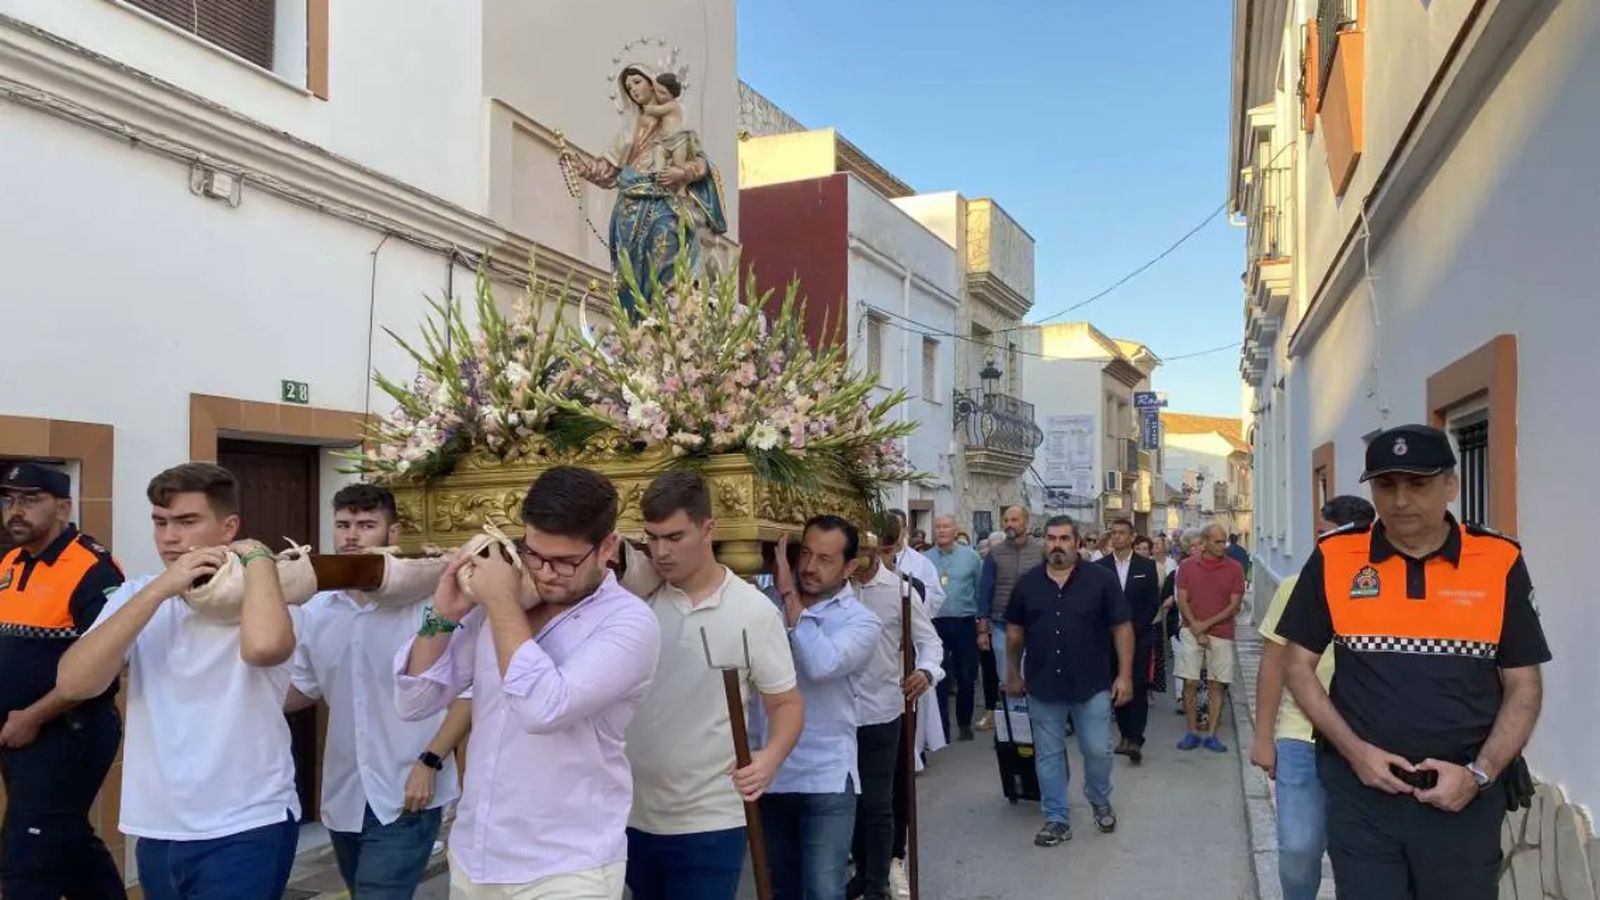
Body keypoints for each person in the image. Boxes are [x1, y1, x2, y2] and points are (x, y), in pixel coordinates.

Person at [1277, 426, 1550, 900]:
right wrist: (1356, 753)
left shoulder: (1498, 561)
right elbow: (1297, 666)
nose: (1401, 500)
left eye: (1418, 483)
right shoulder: (1336, 557)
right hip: (1362, 798)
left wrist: (1479, 775)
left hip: (1462, 803)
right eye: (1386, 485)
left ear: (1452, 485)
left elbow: (1524, 686)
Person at [396, 466, 661, 899]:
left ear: (607, 548)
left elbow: (544, 708)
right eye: (534, 554)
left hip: (566, 867)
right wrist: (441, 614)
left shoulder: (630, 623)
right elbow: (415, 700)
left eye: (565, 561)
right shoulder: (509, 603)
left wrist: (500, 600)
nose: (546, 572)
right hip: (476, 856)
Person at [57, 463, 302, 900]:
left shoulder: (267, 587)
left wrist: (258, 557)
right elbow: (75, 682)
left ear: (228, 528)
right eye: (160, 522)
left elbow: (266, 648)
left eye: (187, 522)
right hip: (158, 823)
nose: (170, 537)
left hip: (246, 821)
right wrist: (157, 592)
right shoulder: (141, 594)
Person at [621, 471, 804, 900]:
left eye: (674, 537)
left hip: (712, 817)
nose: (661, 551)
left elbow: (786, 703)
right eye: (652, 538)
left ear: (708, 530)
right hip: (629, 813)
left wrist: (769, 758)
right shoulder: (634, 603)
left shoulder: (753, 611)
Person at [286, 484, 470, 899]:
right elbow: (301, 689)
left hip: (409, 787)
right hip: (345, 791)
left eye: (366, 525)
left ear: (393, 533)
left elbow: (467, 691)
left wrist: (431, 760)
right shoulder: (318, 610)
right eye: (344, 525)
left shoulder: (428, 605)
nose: (352, 536)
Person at [0, 463, 127, 899]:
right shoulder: (12, 562)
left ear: (63, 507)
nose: (15, 511)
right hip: (19, 733)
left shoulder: (94, 568)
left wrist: (33, 717)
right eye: (10, 500)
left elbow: (105, 668)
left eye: (30, 500)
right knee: (69, 844)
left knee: (25, 862)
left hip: (69, 733)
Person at [1250, 494, 1375, 900]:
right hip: (1301, 736)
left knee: (1357, 855)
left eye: (1329, 535)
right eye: (1321, 535)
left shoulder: (1380, 590)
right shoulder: (1297, 586)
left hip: (1367, 742)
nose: (1322, 544)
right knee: (1300, 849)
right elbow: (1273, 665)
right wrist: (1263, 738)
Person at [758, 517, 879, 900]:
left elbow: (820, 664)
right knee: (782, 888)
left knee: (824, 890)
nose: (809, 567)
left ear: (848, 568)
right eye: (805, 553)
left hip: (826, 776)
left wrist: (789, 596)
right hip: (771, 771)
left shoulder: (862, 622)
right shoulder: (765, 607)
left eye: (825, 559)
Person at [1005, 515, 1133, 846]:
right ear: (1044, 542)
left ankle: (1098, 796)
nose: (1057, 545)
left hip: (1091, 683)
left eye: (1064, 539)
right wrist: (1013, 671)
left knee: (1098, 750)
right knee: (1048, 754)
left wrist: (1124, 675)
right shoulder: (1028, 583)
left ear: (1077, 543)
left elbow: (1122, 628)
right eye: (1051, 538)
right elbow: (1016, 632)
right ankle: (1056, 818)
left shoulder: (1101, 581)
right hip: (1043, 683)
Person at [847, 516, 941, 900]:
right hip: (840, 713)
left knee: (878, 802)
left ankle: (877, 882)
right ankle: (862, 869)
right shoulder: (837, 590)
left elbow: (930, 643)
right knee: (850, 802)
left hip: (884, 709)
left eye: (875, 551)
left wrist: (925, 671)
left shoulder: (901, 592)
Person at [1096, 518, 1162, 764]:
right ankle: (1125, 734)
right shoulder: (1101, 567)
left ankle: (1136, 737)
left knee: (1138, 684)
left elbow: (1151, 603)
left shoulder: (1146, 566)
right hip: (1109, 639)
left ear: (1132, 537)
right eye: (1113, 533)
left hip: (1140, 636)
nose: (1117, 537)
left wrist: (1133, 630)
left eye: (1122, 533)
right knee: (1117, 684)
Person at [1174, 525, 1244, 751]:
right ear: (1204, 541)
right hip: (1191, 631)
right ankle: (1192, 731)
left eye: (1224, 541)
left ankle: (1212, 734)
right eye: (1217, 542)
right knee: (1190, 681)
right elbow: (1182, 601)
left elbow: (1234, 605)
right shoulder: (1186, 567)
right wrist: (1197, 628)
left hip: (1221, 633)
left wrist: (1205, 626)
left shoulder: (1235, 568)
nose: (1222, 546)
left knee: (1217, 684)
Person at [980, 506, 1043, 713]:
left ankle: (1035, 723)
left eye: (1014, 520)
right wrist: (982, 628)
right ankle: (1013, 727)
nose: (1009, 524)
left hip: (1034, 625)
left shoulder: (1040, 552)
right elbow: (985, 591)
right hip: (1001, 625)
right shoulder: (994, 555)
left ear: (1026, 522)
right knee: (1006, 677)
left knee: (1033, 675)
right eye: (1006, 520)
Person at [927, 514, 982, 743]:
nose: (941, 530)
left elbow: (979, 590)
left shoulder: (971, 557)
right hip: (935, 623)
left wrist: (982, 625)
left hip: (964, 622)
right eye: (938, 527)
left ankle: (964, 723)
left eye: (946, 526)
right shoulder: (926, 558)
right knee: (938, 676)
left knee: (966, 676)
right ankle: (942, 729)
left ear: (955, 529)